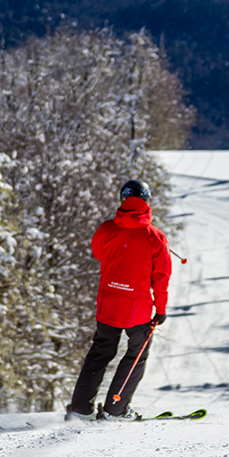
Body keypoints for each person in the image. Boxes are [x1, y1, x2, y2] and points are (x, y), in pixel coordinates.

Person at [66, 179, 172, 421]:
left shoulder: (106, 229)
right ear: (147, 202)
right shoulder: (155, 237)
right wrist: (161, 310)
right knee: (136, 355)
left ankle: (81, 409)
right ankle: (116, 408)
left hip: (109, 305)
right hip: (139, 310)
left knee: (100, 353)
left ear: (123, 200)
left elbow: (97, 253)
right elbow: (162, 278)